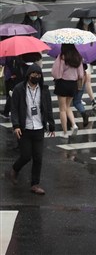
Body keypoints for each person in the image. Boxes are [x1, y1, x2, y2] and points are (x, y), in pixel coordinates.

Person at [5, 64, 55, 195]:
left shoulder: (44, 90)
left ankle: (35, 184)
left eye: (38, 74)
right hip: (24, 128)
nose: (36, 76)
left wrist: (51, 124)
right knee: (26, 156)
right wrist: (15, 126)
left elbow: (48, 108)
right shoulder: (19, 89)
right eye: (33, 74)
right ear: (28, 75)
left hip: (39, 127)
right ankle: (14, 170)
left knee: (38, 158)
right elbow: (14, 109)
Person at [51, 44, 84, 138]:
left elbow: (56, 72)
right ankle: (74, 124)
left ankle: (65, 132)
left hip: (63, 84)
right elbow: (81, 74)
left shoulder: (62, 56)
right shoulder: (78, 56)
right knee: (68, 106)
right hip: (73, 84)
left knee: (62, 109)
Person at [76, 18, 96, 109]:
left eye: (89, 19)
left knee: (84, 80)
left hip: (89, 58)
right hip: (81, 59)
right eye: (86, 19)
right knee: (87, 79)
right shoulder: (77, 32)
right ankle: (93, 100)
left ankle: (78, 98)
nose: (88, 20)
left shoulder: (92, 31)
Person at [72, 63, 90, 128]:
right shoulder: (83, 58)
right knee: (77, 101)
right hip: (82, 81)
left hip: (73, 81)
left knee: (66, 104)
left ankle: (69, 120)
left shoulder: (70, 58)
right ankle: (84, 113)